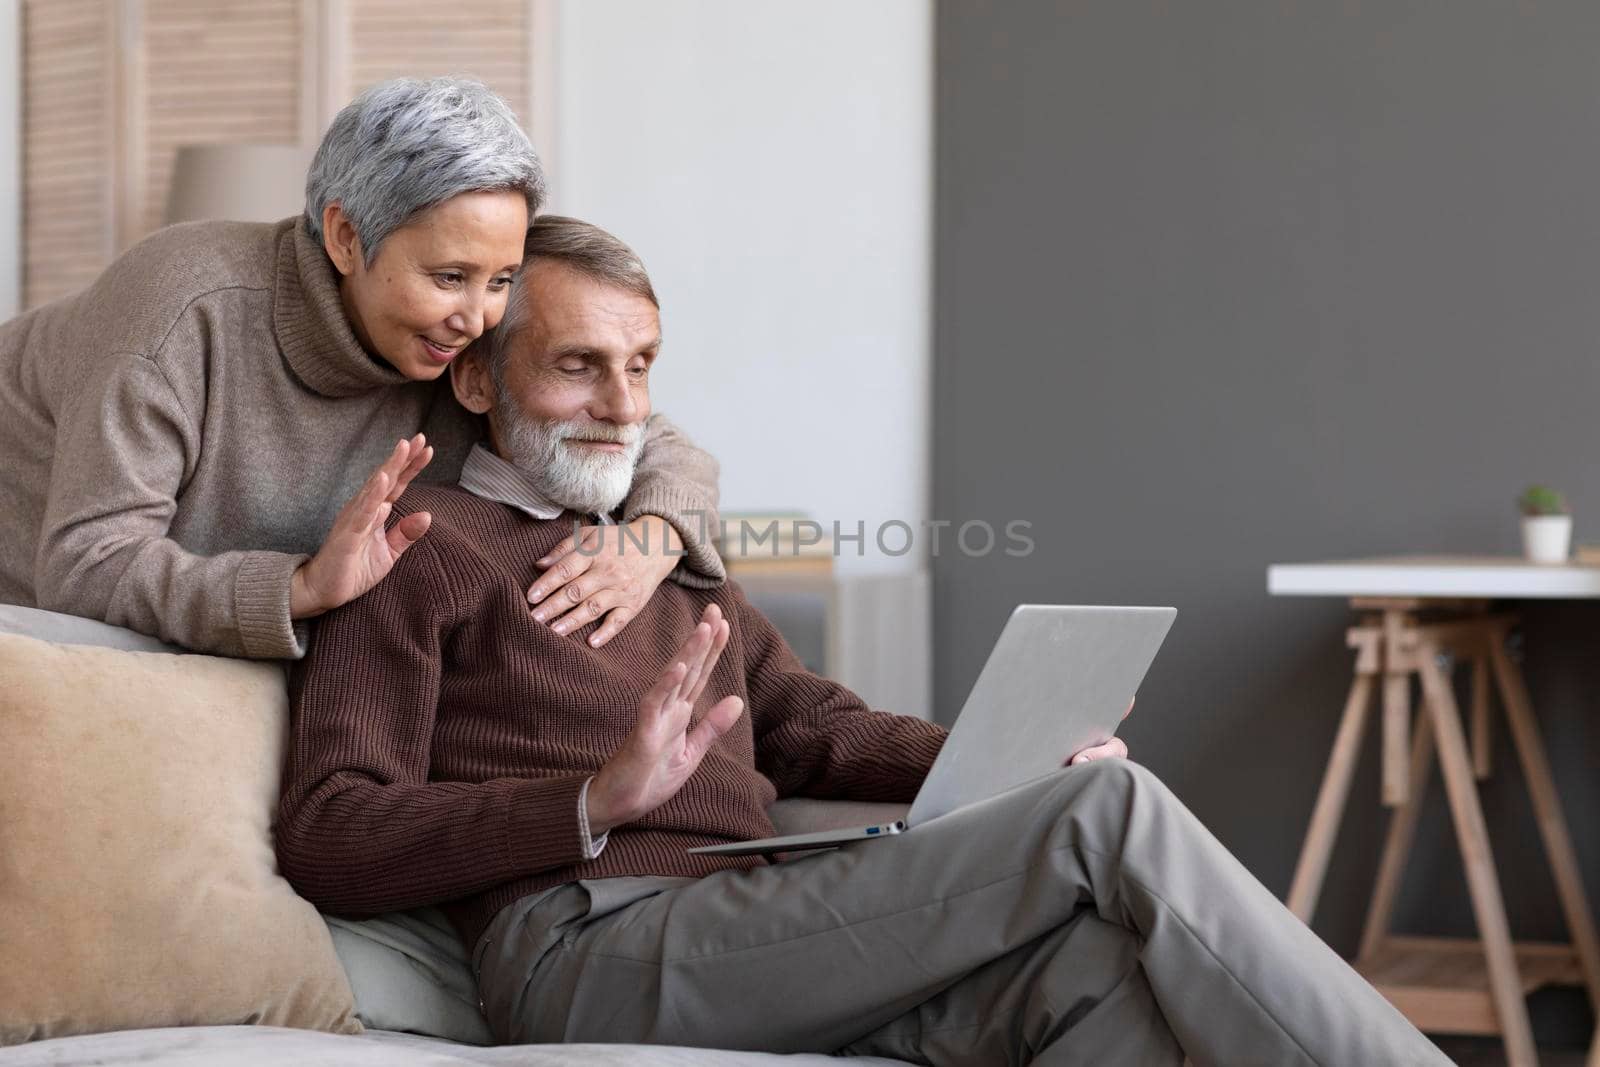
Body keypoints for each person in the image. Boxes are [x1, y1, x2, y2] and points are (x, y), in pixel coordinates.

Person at [275, 216, 1448, 1066]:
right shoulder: (421, 548)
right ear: (477, 374)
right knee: (1113, 812)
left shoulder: (662, 552)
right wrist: (590, 798)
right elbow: (329, 829)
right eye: (579, 366)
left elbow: (812, 727)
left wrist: (1008, 757)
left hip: (751, 914)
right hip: (584, 946)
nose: (627, 407)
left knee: (1094, 983)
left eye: (641, 366)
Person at [0, 77, 721, 659]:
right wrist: (300, 586)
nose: (477, 320)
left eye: (500, 279)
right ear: (346, 237)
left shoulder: (458, 346)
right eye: (448, 276)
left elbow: (647, 436)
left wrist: (649, 541)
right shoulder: (181, 309)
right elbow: (87, 566)